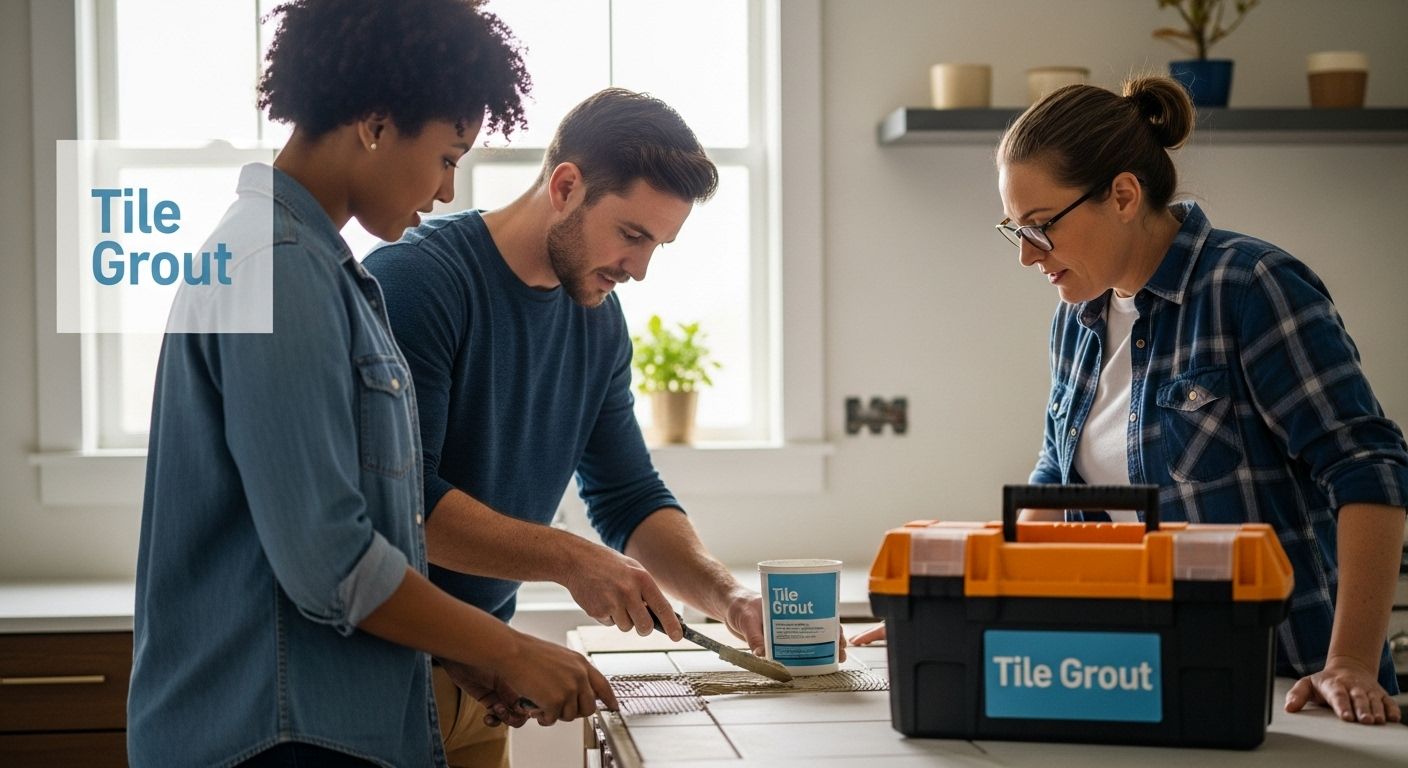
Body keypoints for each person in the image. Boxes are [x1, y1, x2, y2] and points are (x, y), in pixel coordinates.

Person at [128, 3, 614, 766]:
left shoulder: (313, 269)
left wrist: (460, 655)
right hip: (274, 736)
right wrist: (510, 649)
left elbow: (351, 533)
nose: (449, 189)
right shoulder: (280, 269)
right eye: (449, 155)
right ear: (376, 123)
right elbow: (331, 561)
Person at [856, 74, 1407, 727]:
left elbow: (1367, 468)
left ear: (1122, 194)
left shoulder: (1251, 286)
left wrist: (1349, 663)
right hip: (1130, 673)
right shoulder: (1078, 319)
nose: (1028, 258)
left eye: (1040, 227)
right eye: (1016, 231)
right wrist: (958, 614)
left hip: (1287, 683)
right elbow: (1055, 492)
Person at [364, 87, 842, 767]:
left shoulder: (597, 321)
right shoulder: (418, 285)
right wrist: (573, 558)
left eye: (660, 246)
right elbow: (408, 509)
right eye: (632, 235)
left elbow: (628, 497)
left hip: (482, 680)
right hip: (385, 682)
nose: (640, 270)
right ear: (566, 186)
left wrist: (729, 600)